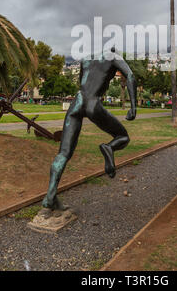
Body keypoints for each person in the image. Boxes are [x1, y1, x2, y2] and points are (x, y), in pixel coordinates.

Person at [42, 48, 137, 210]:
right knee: (123, 136)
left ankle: (50, 196)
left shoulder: (86, 59)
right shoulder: (113, 56)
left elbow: (82, 83)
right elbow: (131, 76)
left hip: (77, 102)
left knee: (63, 153)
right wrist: (133, 107)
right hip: (93, 103)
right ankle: (108, 147)